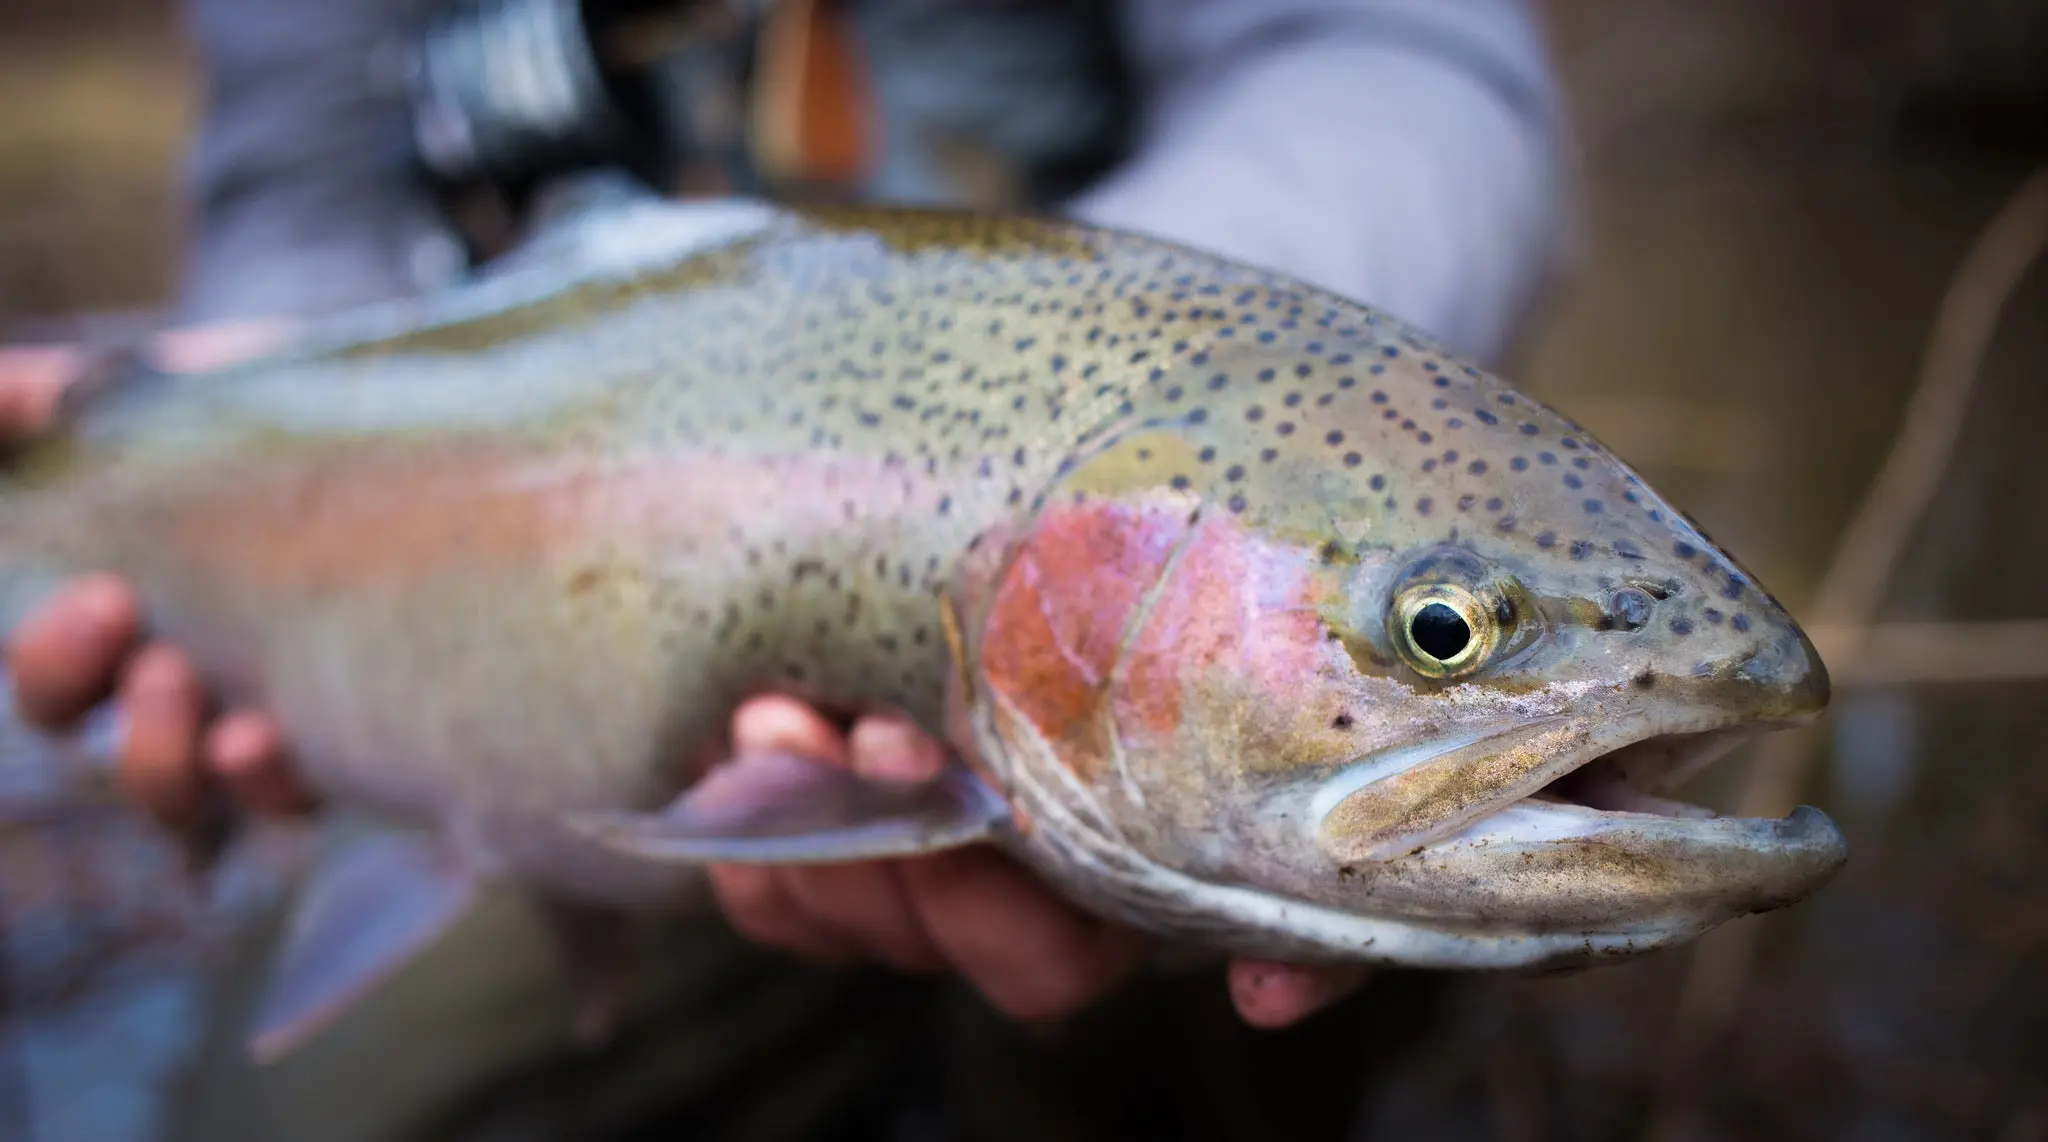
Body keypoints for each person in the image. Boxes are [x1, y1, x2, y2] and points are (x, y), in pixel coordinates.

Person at [2, 1, 1571, 1137]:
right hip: (537, 552)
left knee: (1155, 1032)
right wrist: (265, 432)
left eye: (1444, 629)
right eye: (1444, 631)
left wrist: (1098, 402)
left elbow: (1390, 64)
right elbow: (300, 200)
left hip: (1109, 584)